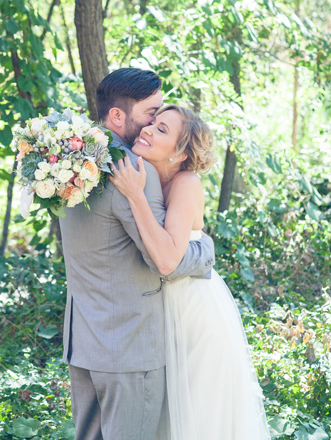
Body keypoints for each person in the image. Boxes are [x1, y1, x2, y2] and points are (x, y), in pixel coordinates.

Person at [58, 68, 216, 439]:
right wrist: (205, 248)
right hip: (129, 349)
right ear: (117, 115)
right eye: (151, 112)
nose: (151, 123)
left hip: (83, 345)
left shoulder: (68, 163)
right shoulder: (132, 171)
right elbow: (167, 261)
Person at [110, 104, 271, 440]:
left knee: (200, 415)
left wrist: (135, 195)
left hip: (196, 314)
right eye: (153, 122)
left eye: (162, 130)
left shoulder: (186, 183)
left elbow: (168, 261)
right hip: (165, 310)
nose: (148, 129)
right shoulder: (153, 176)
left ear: (181, 153)